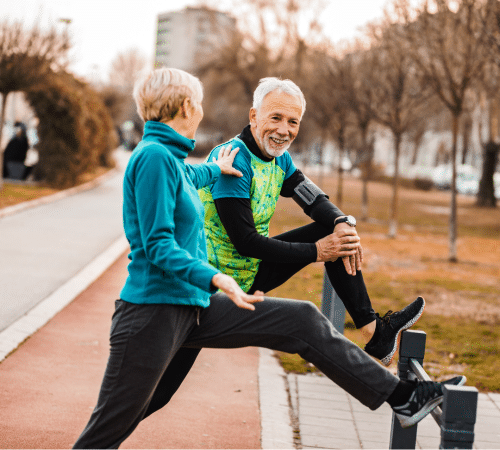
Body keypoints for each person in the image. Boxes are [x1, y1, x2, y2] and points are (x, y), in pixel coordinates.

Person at [72, 68, 465, 449]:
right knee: (119, 421)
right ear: (185, 108)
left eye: (291, 120)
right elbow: (158, 244)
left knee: (303, 320)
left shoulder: (173, 159)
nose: (203, 111)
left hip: (194, 305)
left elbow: (193, 180)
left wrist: (213, 172)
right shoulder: (155, 157)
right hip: (155, 312)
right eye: (200, 104)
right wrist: (216, 278)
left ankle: (403, 397)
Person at [199, 77, 423, 367]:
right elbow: (245, 242)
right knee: (162, 384)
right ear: (254, 116)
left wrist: (343, 222)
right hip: (216, 282)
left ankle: (374, 332)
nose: (283, 130)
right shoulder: (233, 158)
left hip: (251, 273)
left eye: (293, 122)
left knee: (336, 230)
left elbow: (312, 198)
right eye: (275, 118)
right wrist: (318, 251)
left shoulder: (279, 159)